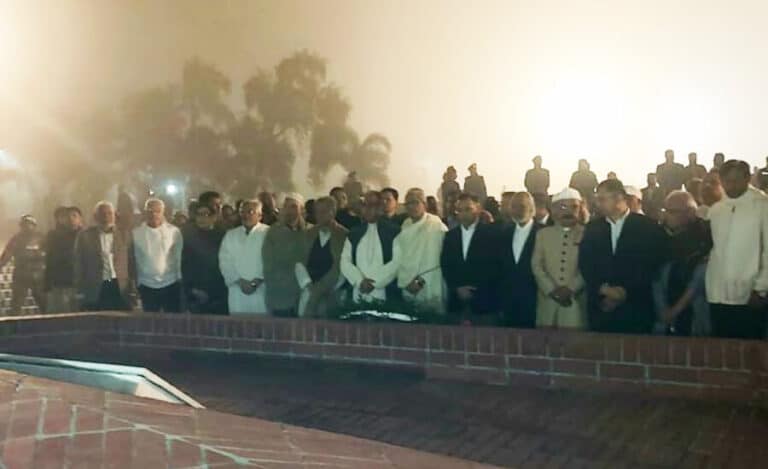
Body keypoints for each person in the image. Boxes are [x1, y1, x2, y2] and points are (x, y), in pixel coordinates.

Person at [579, 179, 667, 334]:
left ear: (619, 198)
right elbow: (585, 263)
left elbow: (652, 264)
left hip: (637, 307)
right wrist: (604, 289)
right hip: (601, 306)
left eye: (602, 199)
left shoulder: (648, 227)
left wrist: (624, 292)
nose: (598, 204)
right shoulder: (592, 228)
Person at [706, 160, 768, 339]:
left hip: (750, 294)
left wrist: (762, 287)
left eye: (736, 180)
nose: (731, 185)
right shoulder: (716, 209)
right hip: (717, 292)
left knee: (749, 348)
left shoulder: (762, 206)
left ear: (747, 179)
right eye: (727, 181)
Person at [652, 191, 712, 336]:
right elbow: (656, 276)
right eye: (665, 210)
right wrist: (663, 311)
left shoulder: (705, 235)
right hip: (665, 310)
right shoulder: (660, 235)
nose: (666, 216)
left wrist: (675, 310)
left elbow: (700, 277)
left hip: (695, 312)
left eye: (672, 212)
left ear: (690, 213)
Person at [441, 193, 501, 325]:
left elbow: (495, 266)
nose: (463, 214)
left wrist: (475, 290)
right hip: (456, 302)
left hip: (485, 302)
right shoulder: (450, 236)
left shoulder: (492, 234)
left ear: (478, 209)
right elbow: (446, 265)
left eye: (468, 209)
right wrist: (457, 287)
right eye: (459, 210)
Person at [532, 188, 587, 329]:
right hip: (547, 302)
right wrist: (551, 290)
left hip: (575, 302)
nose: (569, 211)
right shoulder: (543, 234)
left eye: (574, 207)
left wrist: (571, 289)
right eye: (563, 207)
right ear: (553, 210)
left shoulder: (587, 234)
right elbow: (537, 265)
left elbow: (589, 266)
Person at [340, 191, 401, 303]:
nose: (367, 209)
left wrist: (375, 282)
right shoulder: (354, 233)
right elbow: (345, 261)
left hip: (385, 291)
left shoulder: (394, 231)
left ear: (380, 207)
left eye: (372, 205)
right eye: (364, 205)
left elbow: (397, 262)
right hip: (358, 290)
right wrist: (359, 281)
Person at [73, 202, 135, 311]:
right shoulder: (85, 236)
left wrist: (133, 287)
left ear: (115, 215)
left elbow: (132, 261)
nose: (106, 217)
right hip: (95, 285)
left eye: (109, 213)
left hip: (120, 285)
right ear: (95, 216)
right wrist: (79, 289)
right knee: (97, 318)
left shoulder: (125, 234)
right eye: (102, 214)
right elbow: (78, 263)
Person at [395, 188, 448, 313]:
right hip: (407, 282)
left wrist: (419, 282)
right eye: (408, 203)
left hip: (429, 281)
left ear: (424, 204)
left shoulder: (435, 225)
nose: (411, 207)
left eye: (415, 202)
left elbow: (436, 258)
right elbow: (401, 255)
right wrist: (406, 280)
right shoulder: (405, 225)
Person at [295, 197, 348, 317]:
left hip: (333, 292)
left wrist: (322, 289)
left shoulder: (344, 235)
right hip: (308, 290)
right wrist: (308, 285)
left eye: (323, 211)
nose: (319, 216)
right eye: (317, 212)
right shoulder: (308, 234)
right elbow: (299, 262)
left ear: (333, 212)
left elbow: (342, 267)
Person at [132, 198, 183, 313]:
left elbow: (179, 256)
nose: (154, 214)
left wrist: (179, 279)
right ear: (145, 212)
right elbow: (134, 258)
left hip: (170, 283)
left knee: (173, 320)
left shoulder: (174, 231)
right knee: (151, 321)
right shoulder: (136, 233)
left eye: (157, 211)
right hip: (146, 285)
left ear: (163, 212)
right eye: (150, 211)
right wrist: (137, 282)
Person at [219, 199, 270, 314]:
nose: (245, 215)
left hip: (261, 289)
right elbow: (224, 261)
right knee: (238, 323)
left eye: (250, 212)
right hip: (237, 290)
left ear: (260, 215)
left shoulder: (268, 233)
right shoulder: (231, 235)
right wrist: (239, 281)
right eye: (242, 212)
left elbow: (272, 261)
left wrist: (256, 282)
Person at [262, 193, 310, 316]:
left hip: (306, 293)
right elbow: (268, 263)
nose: (289, 211)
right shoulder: (274, 232)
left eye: (293, 207)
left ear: (301, 209)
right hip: (281, 294)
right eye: (286, 207)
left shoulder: (310, 231)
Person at [498, 192, 541, 328]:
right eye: (514, 207)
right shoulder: (503, 233)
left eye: (522, 206)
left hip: (537, 299)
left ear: (532, 209)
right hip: (508, 301)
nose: (517, 211)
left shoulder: (543, 233)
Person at [182, 203, 227, 314]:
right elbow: (184, 265)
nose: (201, 218)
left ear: (214, 217)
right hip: (196, 292)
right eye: (198, 214)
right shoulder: (188, 237)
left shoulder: (224, 236)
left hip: (220, 292)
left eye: (205, 214)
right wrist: (192, 289)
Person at [0, 215, 47, 314]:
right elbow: (8, 253)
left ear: (34, 225)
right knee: (16, 304)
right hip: (21, 275)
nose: (27, 227)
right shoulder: (16, 239)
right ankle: (13, 322)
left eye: (29, 224)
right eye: (24, 224)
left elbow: (50, 253)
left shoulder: (42, 238)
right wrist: (1, 265)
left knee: (43, 303)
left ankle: (48, 321)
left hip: (38, 275)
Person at [44, 206, 83, 313]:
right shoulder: (55, 237)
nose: (71, 219)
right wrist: (47, 284)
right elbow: (49, 260)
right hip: (59, 284)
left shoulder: (87, 236)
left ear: (80, 219)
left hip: (79, 284)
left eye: (74, 216)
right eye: (67, 216)